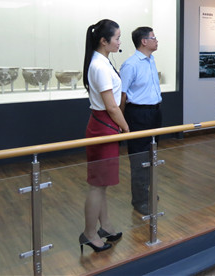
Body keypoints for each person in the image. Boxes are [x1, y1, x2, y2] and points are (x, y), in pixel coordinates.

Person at [80, 19, 128, 253]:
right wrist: (126, 128)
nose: (119, 42)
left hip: (106, 125)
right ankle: (89, 233)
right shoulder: (99, 66)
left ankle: (105, 226)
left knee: (102, 184)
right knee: (97, 186)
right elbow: (111, 106)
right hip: (103, 126)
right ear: (103, 41)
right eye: (117, 38)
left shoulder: (103, 62)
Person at [120, 27, 163, 215]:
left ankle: (147, 192)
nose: (156, 40)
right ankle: (139, 200)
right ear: (144, 41)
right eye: (154, 37)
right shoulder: (131, 65)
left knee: (152, 155)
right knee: (139, 158)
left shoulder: (151, 60)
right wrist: (121, 121)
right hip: (138, 114)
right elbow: (122, 94)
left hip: (154, 113)